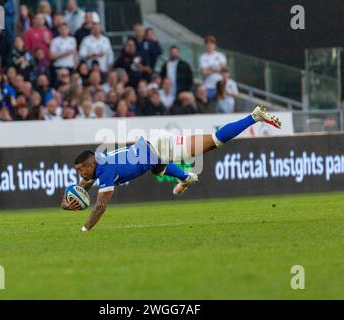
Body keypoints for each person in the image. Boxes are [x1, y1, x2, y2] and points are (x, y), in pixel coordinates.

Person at [61, 106, 282, 232]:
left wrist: (84, 229)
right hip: (151, 149)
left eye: (81, 170)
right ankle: (186, 177)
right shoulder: (98, 162)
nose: (80, 174)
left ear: (90, 165)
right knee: (157, 169)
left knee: (215, 142)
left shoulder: (105, 171)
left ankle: (254, 116)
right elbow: (85, 184)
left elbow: (100, 206)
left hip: (159, 146)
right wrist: (69, 199)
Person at [199, 35, 227, 100]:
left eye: (211, 44)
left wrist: (210, 69)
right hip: (208, 86)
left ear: (215, 45)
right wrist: (216, 69)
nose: (210, 46)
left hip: (220, 86)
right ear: (205, 45)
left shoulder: (220, 56)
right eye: (208, 44)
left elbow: (224, 70)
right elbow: (204, 72)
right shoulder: (203, 57)